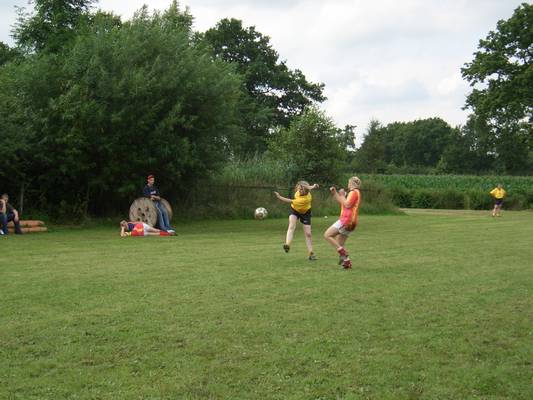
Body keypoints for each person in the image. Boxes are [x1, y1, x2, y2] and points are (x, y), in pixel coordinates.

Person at [274, 181, 320, 261]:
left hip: (305, 212)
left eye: (301, 189)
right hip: (295, 210)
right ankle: (287, 244)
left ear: (306, 190)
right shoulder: (298, 192)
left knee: (308, 234)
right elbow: (308, 186)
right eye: (298, 188)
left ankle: (311, 253)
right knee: (291, 226)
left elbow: (289, 201)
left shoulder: (306, 198)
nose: (299, 190)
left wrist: (279, 197)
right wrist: (313, 186)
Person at [323, 176, 362, 269]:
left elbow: (347, 204)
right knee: (339, 243)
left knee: (327, 235)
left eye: (349, 183)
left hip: (346, 219)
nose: (348, 185)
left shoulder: (354, 192)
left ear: (352, 183)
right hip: (352, 221)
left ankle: (343, 253)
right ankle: (347, 262)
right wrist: (335, 193)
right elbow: (342, 202)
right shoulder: (355, 193)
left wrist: (342, 195)